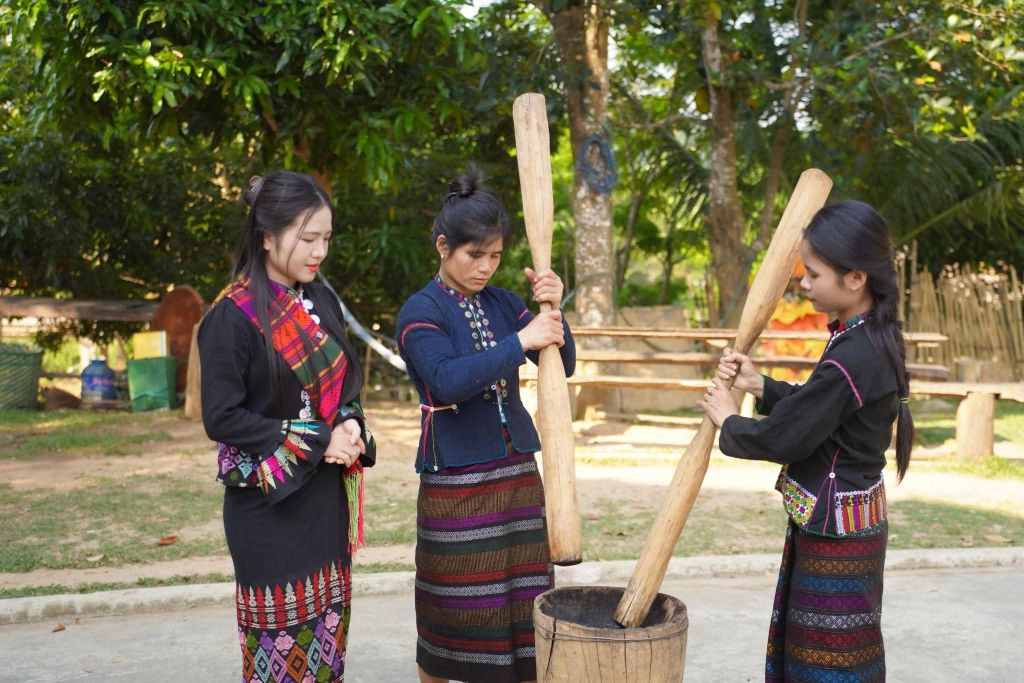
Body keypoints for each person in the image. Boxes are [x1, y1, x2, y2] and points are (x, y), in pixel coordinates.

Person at [699, 199, 914, 683]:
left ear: (855, 278)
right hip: (848, 520)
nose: (805, 284)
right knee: (838, 644)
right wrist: (761, 386)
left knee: (826, 653)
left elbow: (791, 436)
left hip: (835, 531)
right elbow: (824, 409)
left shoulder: (855, 352)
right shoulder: (868, 335)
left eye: (814, 274)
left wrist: (730, 421)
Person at [396, 168, 575, 683]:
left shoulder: (504, 302)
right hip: (456, 480)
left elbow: (562, 364)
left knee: (524, 605)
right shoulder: (419, 311)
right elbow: (447, 381)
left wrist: (552, 307)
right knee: (451, 610)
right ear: (443, 247)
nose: (486, 267)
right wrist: (521, 341)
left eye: (495, 256)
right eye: (475, 254)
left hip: (517, 474)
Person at [199, 170, 376, 683]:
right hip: (267, 509)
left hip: (324, 503)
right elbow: (222, 417)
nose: (320, 251)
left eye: (326, 238)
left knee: (327, 646)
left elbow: (344, 387)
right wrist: (319, 439)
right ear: (267, 236)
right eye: (308, 238)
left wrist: (349, 423)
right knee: (278, 654)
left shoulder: (321, 301)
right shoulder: (231, 317)